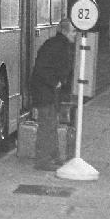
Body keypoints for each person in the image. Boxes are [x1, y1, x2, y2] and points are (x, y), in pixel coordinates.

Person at [28, 18, 76, 170]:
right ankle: (43, 160)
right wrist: (56, 82)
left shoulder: (58, 44)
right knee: (47, 125)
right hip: (45, 91)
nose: (76, 35)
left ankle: (53, 156)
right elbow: (42, 69)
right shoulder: (58, 46)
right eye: (73, 31)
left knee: (52, 123)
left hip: (48, 91)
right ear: (65, 31)